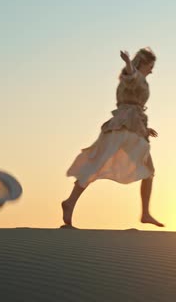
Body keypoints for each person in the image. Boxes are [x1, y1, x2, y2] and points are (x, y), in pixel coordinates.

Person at [62, 47, 163, 228]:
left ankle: (70, 201)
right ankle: (145, 213)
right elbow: (131, 75)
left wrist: (144, 129)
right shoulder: (134, 75)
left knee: (144, 170)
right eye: (151, 65)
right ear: (142, 63)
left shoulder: (139, 80)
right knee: (145, 170)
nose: (152, 70)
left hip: (130, 127)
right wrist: (128, 63)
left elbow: (134, 107)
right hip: (123, 127)